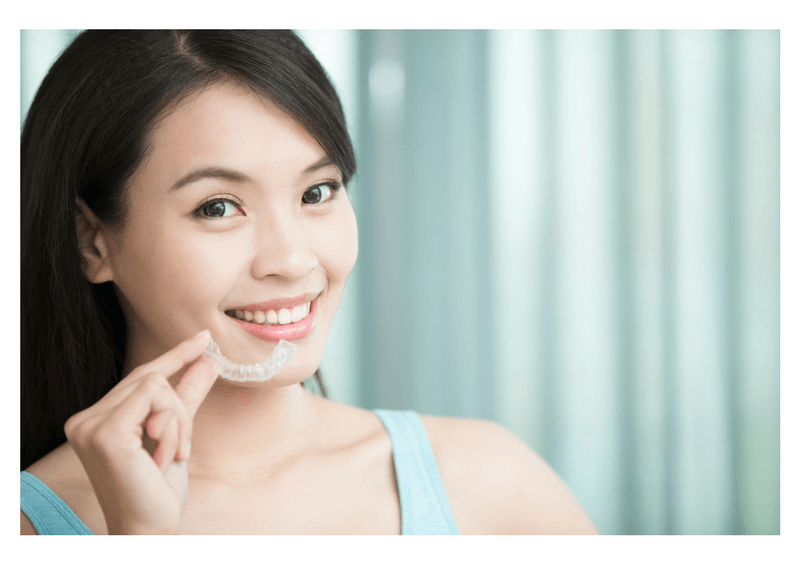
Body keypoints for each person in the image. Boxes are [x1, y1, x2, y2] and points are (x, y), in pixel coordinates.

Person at [20, 30, 598, 535]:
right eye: (219, 207)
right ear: (92, 243)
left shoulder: (489, 484)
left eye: (316, 192)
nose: (293, 260)